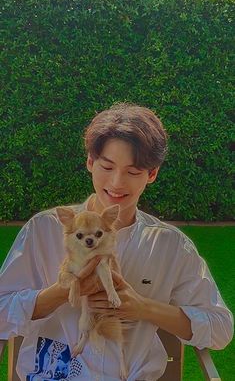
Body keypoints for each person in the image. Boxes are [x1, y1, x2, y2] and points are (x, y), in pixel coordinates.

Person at [0, 103, 233, 381]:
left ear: (152, 174)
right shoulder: (45, 229)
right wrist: (66, 290)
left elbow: (220, 329)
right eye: (107, 166)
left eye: (133, 172)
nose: (117, 182)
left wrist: (142, 306)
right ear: (90, 162)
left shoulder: (170, 246)